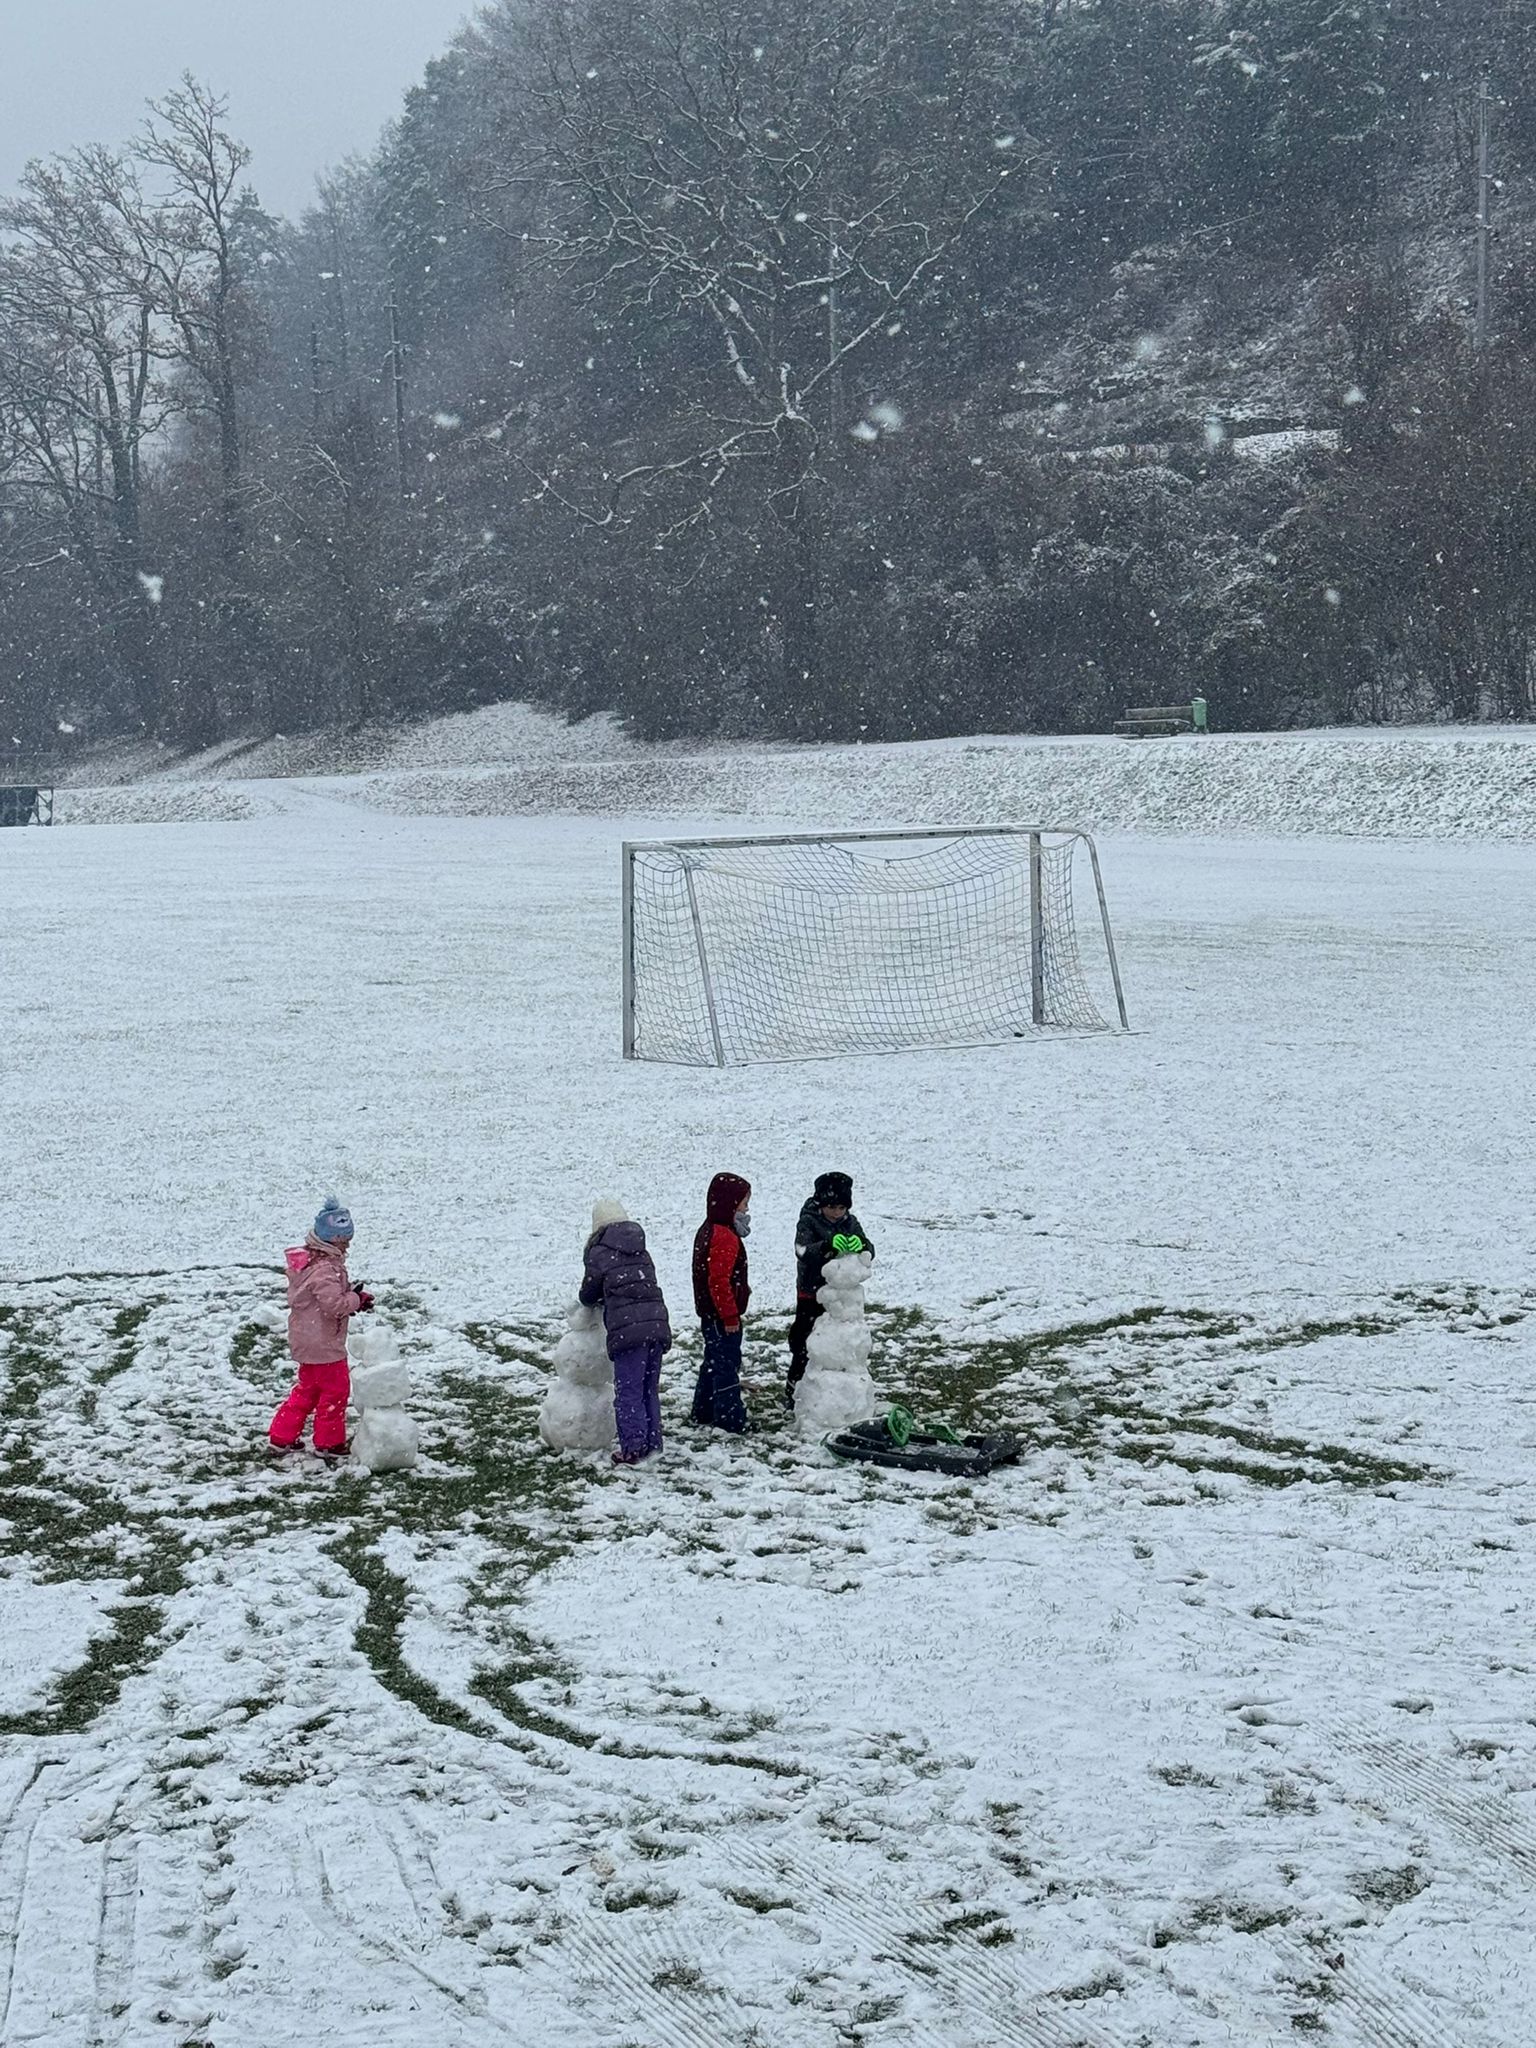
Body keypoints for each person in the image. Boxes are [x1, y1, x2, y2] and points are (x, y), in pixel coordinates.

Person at [270, 1195, 374, 1459]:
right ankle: (329, 1443)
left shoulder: (312, 1264)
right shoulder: (325, 1269)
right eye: (344, 1239)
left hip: (308, 1340)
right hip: (324, 1343)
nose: (348, 1244)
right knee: (335, 1393)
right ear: (332, 1240)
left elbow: (326, 1298)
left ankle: (281, 1436)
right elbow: (334, 1305)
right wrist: (356, 1299)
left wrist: (351, 1295)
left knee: (307, 1391)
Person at [578, 1199, 672, 1465]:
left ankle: (633, 1448)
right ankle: (653, 1442)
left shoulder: (600, 1252)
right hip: (656, 1324)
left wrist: (594, 1299)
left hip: (629, 1330)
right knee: (648, 1388)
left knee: (628, 1391)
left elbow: (589, 1292)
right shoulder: (641, 1249)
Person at [787, 1171, 874, 1403]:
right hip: (812, 1292)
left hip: (841, 1297)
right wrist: (826, 1246)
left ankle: (839, 1389)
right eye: (832, 1207)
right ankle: (796, 1386)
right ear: (821, 1203)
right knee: (805, 1340)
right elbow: (802, 1250)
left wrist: (862, 1245)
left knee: (838, 1339)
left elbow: (869, 1249)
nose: (836, 1213)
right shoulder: (808, 1220)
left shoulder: (850, 1223)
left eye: (841, 1208)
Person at [690, 1171, 752, 1433]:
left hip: (710, 1313)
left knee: (714, 1361)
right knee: (727, 1364)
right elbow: (719, 1281)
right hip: (721, 1316)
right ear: (730, 1204)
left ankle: (703, 1410)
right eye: (744, 1203)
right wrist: (730, 1315)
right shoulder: (724, 1236)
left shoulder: (711, 1229)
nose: (746, 1209)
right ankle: (730, 1418)